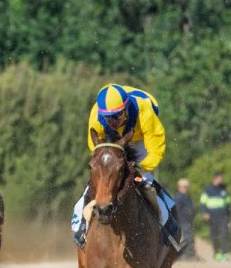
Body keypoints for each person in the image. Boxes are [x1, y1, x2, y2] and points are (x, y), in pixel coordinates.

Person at [71, 84, 181, 250]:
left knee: (144, 181)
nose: (114, 122)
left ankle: (168, 226)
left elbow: (156, 149)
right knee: (97, 182)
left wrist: (140, 167)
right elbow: (95, 150)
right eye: (109, 118)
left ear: (127, 108)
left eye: (118, 116)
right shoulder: (96, 116)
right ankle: (79, 225)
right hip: (110, 142)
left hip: (139, 139)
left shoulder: (144, 111)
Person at [199, 172, 231, 262]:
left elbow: (228, 203)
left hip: (223, 217)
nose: (222, 180)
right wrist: (204, 212)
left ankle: (224, 254)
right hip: (212, 217)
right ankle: (216, 254)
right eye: (220, 178)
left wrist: (229, 217)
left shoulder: (223, 189)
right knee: (214, 236)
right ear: (215, 178)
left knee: (224, 234)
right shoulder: (208, 189)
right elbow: (203, 202)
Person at [173, 179, 198, 260]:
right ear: (179, 187)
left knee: (190, 238)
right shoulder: (178, 197)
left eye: (186, 187)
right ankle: (186, 255)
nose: (185, 189)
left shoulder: (187, 197)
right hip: (182, 221)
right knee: (186, 238)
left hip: (188, 221)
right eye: (183, 187)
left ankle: (189, 254)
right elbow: (177, 210)